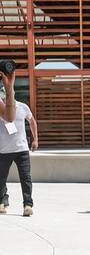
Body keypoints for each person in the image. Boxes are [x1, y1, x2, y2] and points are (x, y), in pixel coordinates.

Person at [0, 68, 38, 217]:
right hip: (3, 150)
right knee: (1, 179)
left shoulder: (23, 107)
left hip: (21, 149)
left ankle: (28, 204)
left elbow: (32, 121)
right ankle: (2, 202)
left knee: (26, 178)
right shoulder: (1, 108)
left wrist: (35, 139)